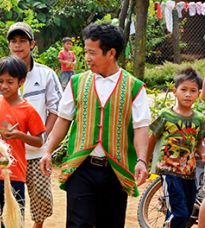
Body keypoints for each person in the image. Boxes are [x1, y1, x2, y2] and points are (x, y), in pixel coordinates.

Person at [40, 23, 151, 228]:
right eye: (85, 52)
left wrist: (142, 160)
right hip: (81, 167)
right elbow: (63, 120)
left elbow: (141, 128)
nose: (87, 58)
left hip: (115, 170)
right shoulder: (77, 82)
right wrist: (48, 150)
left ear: (111, 52)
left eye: (92, 52)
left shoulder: (134, 87)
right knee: (77, 224)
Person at [0, 22, 62, 228]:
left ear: (32, 44)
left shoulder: (46, 74)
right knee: (8, 202)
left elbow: (55, 109)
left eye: (23, 41)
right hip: (9, 152)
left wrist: (44, 138)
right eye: (13, 41)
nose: (18, 46)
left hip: (36, 152)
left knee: (41, 199)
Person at [0, 56, 46, 227]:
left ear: (21, 81)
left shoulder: (28, 110)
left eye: (10, 82)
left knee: (12, 220)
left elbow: (39, 141)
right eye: (0, 81)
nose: (4, 86)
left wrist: (20, 135)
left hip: (14, 173)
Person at [148, 68, 205, 228]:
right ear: (175, 91)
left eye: (193, 91)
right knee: (179, 213)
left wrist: (203, 152)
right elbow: (152, 138)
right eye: (184, 90)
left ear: (198, 93)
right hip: (169, 171)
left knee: (185, 213)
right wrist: (144, 162)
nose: (188, 94)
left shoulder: (199, 119)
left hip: (189, 173)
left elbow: (198, 143)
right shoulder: (166, 115)